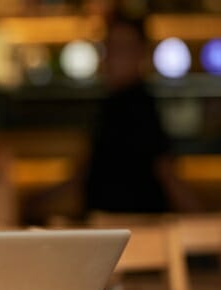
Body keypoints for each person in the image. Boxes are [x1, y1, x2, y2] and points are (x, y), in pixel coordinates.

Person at [83, 15, 200, 214]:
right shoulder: (110, 106)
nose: (111, 57)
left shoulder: (138, 106)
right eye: (109, 47)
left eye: (121, 49)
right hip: (111, 230)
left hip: (138, 231)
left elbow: (165, 171)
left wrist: (205, 224)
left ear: (140, 55)